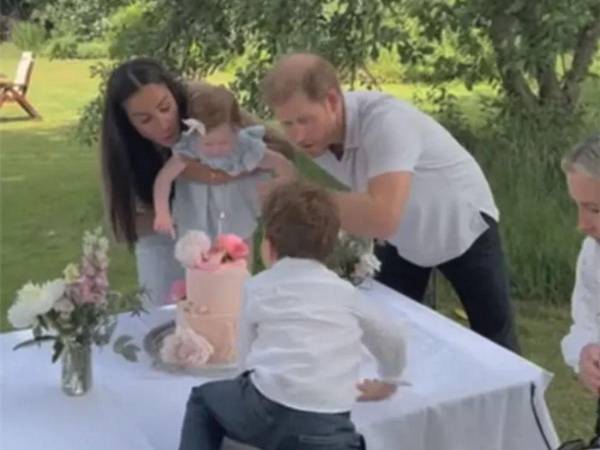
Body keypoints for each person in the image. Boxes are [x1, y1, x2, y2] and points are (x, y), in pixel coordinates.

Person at [260, 52, 520, 352]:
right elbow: (258, 135)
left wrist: (294, 196)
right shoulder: (314, 132)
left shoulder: (386, 122)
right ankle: (406, 395)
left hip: (462, 222)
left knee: (495, 339)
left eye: (305, 120)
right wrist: (215, 111)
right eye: (287, 124)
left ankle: (523, 399)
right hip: (401, 234)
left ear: (332, 100)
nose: (297, 136)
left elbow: (382, 216)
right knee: (383, 328)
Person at [178, 180, 406, 450]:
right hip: (327, 424)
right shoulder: (345, 293)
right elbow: (390, 336)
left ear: (269, 245)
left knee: (203, 399)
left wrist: (245, 388)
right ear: (331, 246)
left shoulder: (257, 286)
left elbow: (245, 356)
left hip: (264, 408)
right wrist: (389, 380)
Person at [100, 58, 295, 306]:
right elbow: (126, 221)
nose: (163, 124)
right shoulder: (121, 148)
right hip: (165, 231)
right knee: (167, 311)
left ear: (173, 92)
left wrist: (220, 174)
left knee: (228, 304)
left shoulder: (205, 104)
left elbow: (278, 148)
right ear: (127, 123)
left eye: (165, 107)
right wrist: (175, 215)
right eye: (145, 120)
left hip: (225, 221)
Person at [153, 84, 294, 247]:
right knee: (196, 262)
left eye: (223, 142)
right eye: (208, 144)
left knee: (239, 261)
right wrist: (162, 212)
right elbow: (164, 179)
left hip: (238, 217)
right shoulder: (189, 148)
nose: (216, 149)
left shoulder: (244, 148)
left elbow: (283, 164)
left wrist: (280, 182)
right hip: (196, 219)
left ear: (236, 129)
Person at [560, 134, 600, 394]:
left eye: (595, 209)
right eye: (579, 207)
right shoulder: (593, 252)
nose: (582, 224)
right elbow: (585, 321)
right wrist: (585, 352)